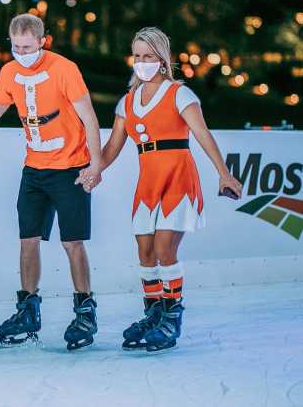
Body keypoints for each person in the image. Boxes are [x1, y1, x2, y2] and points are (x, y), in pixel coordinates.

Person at [0, 14, 103, 349]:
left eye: (28, 47)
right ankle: (28, 308)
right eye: (15, 46)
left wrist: (96, 165)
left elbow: (88, 116)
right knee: (28, 239)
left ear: (43, 41)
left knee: (72, 242)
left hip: (71, 168)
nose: (21, 52)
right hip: (34, 170)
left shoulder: (65, 68)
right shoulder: (9, 73)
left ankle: (85, 310)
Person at [90, 27, 242, 352]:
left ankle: (172, 316)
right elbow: (112, 148)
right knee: (145, 253)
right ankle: (154, 313)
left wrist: (224, 174)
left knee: (164, 249)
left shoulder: (180, 94)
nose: (142, 62)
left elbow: (202, 134)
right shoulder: (126, 102)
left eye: (149, 56)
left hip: (178, 178)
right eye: (138, 56)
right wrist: (92, 170)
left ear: (162, 59)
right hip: (148, 183)